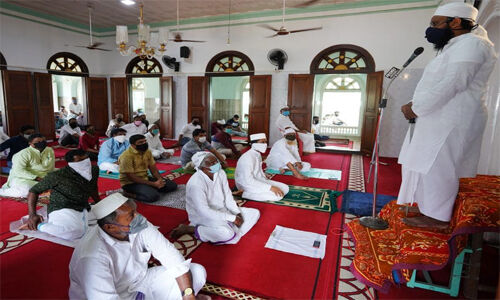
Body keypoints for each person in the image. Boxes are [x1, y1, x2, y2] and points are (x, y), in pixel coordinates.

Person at [397, 2, 497, 229]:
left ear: (456, 22)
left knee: (440, 166)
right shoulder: (455, 45)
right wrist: (417, 104)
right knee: (426, 163)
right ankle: (425, 206)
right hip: (438, 116)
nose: (430, 29)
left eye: (435, 24)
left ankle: (437, 217)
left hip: (452, 118)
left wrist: (417, 107)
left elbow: (454, 83)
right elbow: (440, 84)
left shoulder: (472, 45)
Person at [69, 193, 207, 299]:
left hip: (140, 282)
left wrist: (188, 294)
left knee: (197, 272)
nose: (139, 216)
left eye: (135, 211)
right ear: (110, 227)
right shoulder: (91, 256)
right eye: (131, 216)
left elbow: (172, 258)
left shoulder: (140, 225)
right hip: (114, 295)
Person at [171, 152, 260, 244]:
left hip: (222, 210)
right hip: (204, 216)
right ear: (202, 167)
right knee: (227, 234)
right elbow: (204, 211)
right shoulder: (196, 183)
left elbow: (228, 196)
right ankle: (191, 229)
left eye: (216, 161)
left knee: (254, 213)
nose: (216, 164)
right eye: (211, 163)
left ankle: (229, 231)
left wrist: (236, 212)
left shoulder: (220, 173)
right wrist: (232, 218)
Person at [20, 150, 100, 240]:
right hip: (63, 207)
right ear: (71, 163)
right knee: (75, 232)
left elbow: (93, 187)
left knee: (108, 216)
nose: (85, 162)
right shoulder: (58, 175)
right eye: (80, 161)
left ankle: (62, 222)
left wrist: (99, 203)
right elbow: (33, 191)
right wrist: (32, 215)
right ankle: (39, 225)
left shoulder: (94, 170)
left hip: (83, 206)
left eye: (86, 159)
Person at [119, 134, 177, 203]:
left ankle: (149, 188)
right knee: (153, 196)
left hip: (145, 178)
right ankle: (130, 194)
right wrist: (154, 184)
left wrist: (160, 180)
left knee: (172, 185)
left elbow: (154, 169)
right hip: (130, 183)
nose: (144, 143)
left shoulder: (147, 152)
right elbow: (132, 177)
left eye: (145, 141)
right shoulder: (126, 156)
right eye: (140, 142)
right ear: (133, 145)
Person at [235, 133, 289, 201]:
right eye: (262, 142)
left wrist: (264, 178)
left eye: (265, 142)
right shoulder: (248, 157)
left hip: (257, 180)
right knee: (278, 196)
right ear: (254, 144)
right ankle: (243, 194)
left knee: (285, 188)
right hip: (246, 184)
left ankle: (259, 191)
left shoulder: (257, 154)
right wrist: (270, 187)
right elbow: (248, 180)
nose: (265, 144)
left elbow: (258, 171)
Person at [0, 133, 55, 198]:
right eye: (38, 142)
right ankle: (3, 191)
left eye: (43, 141)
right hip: (25, 178)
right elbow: (19, 171)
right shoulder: (23, 154)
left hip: (44, 177)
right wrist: (36, 178)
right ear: (30, 143)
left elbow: (50, 167)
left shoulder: (49, 150)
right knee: (26, 189)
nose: (41, 143)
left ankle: (44, 190)